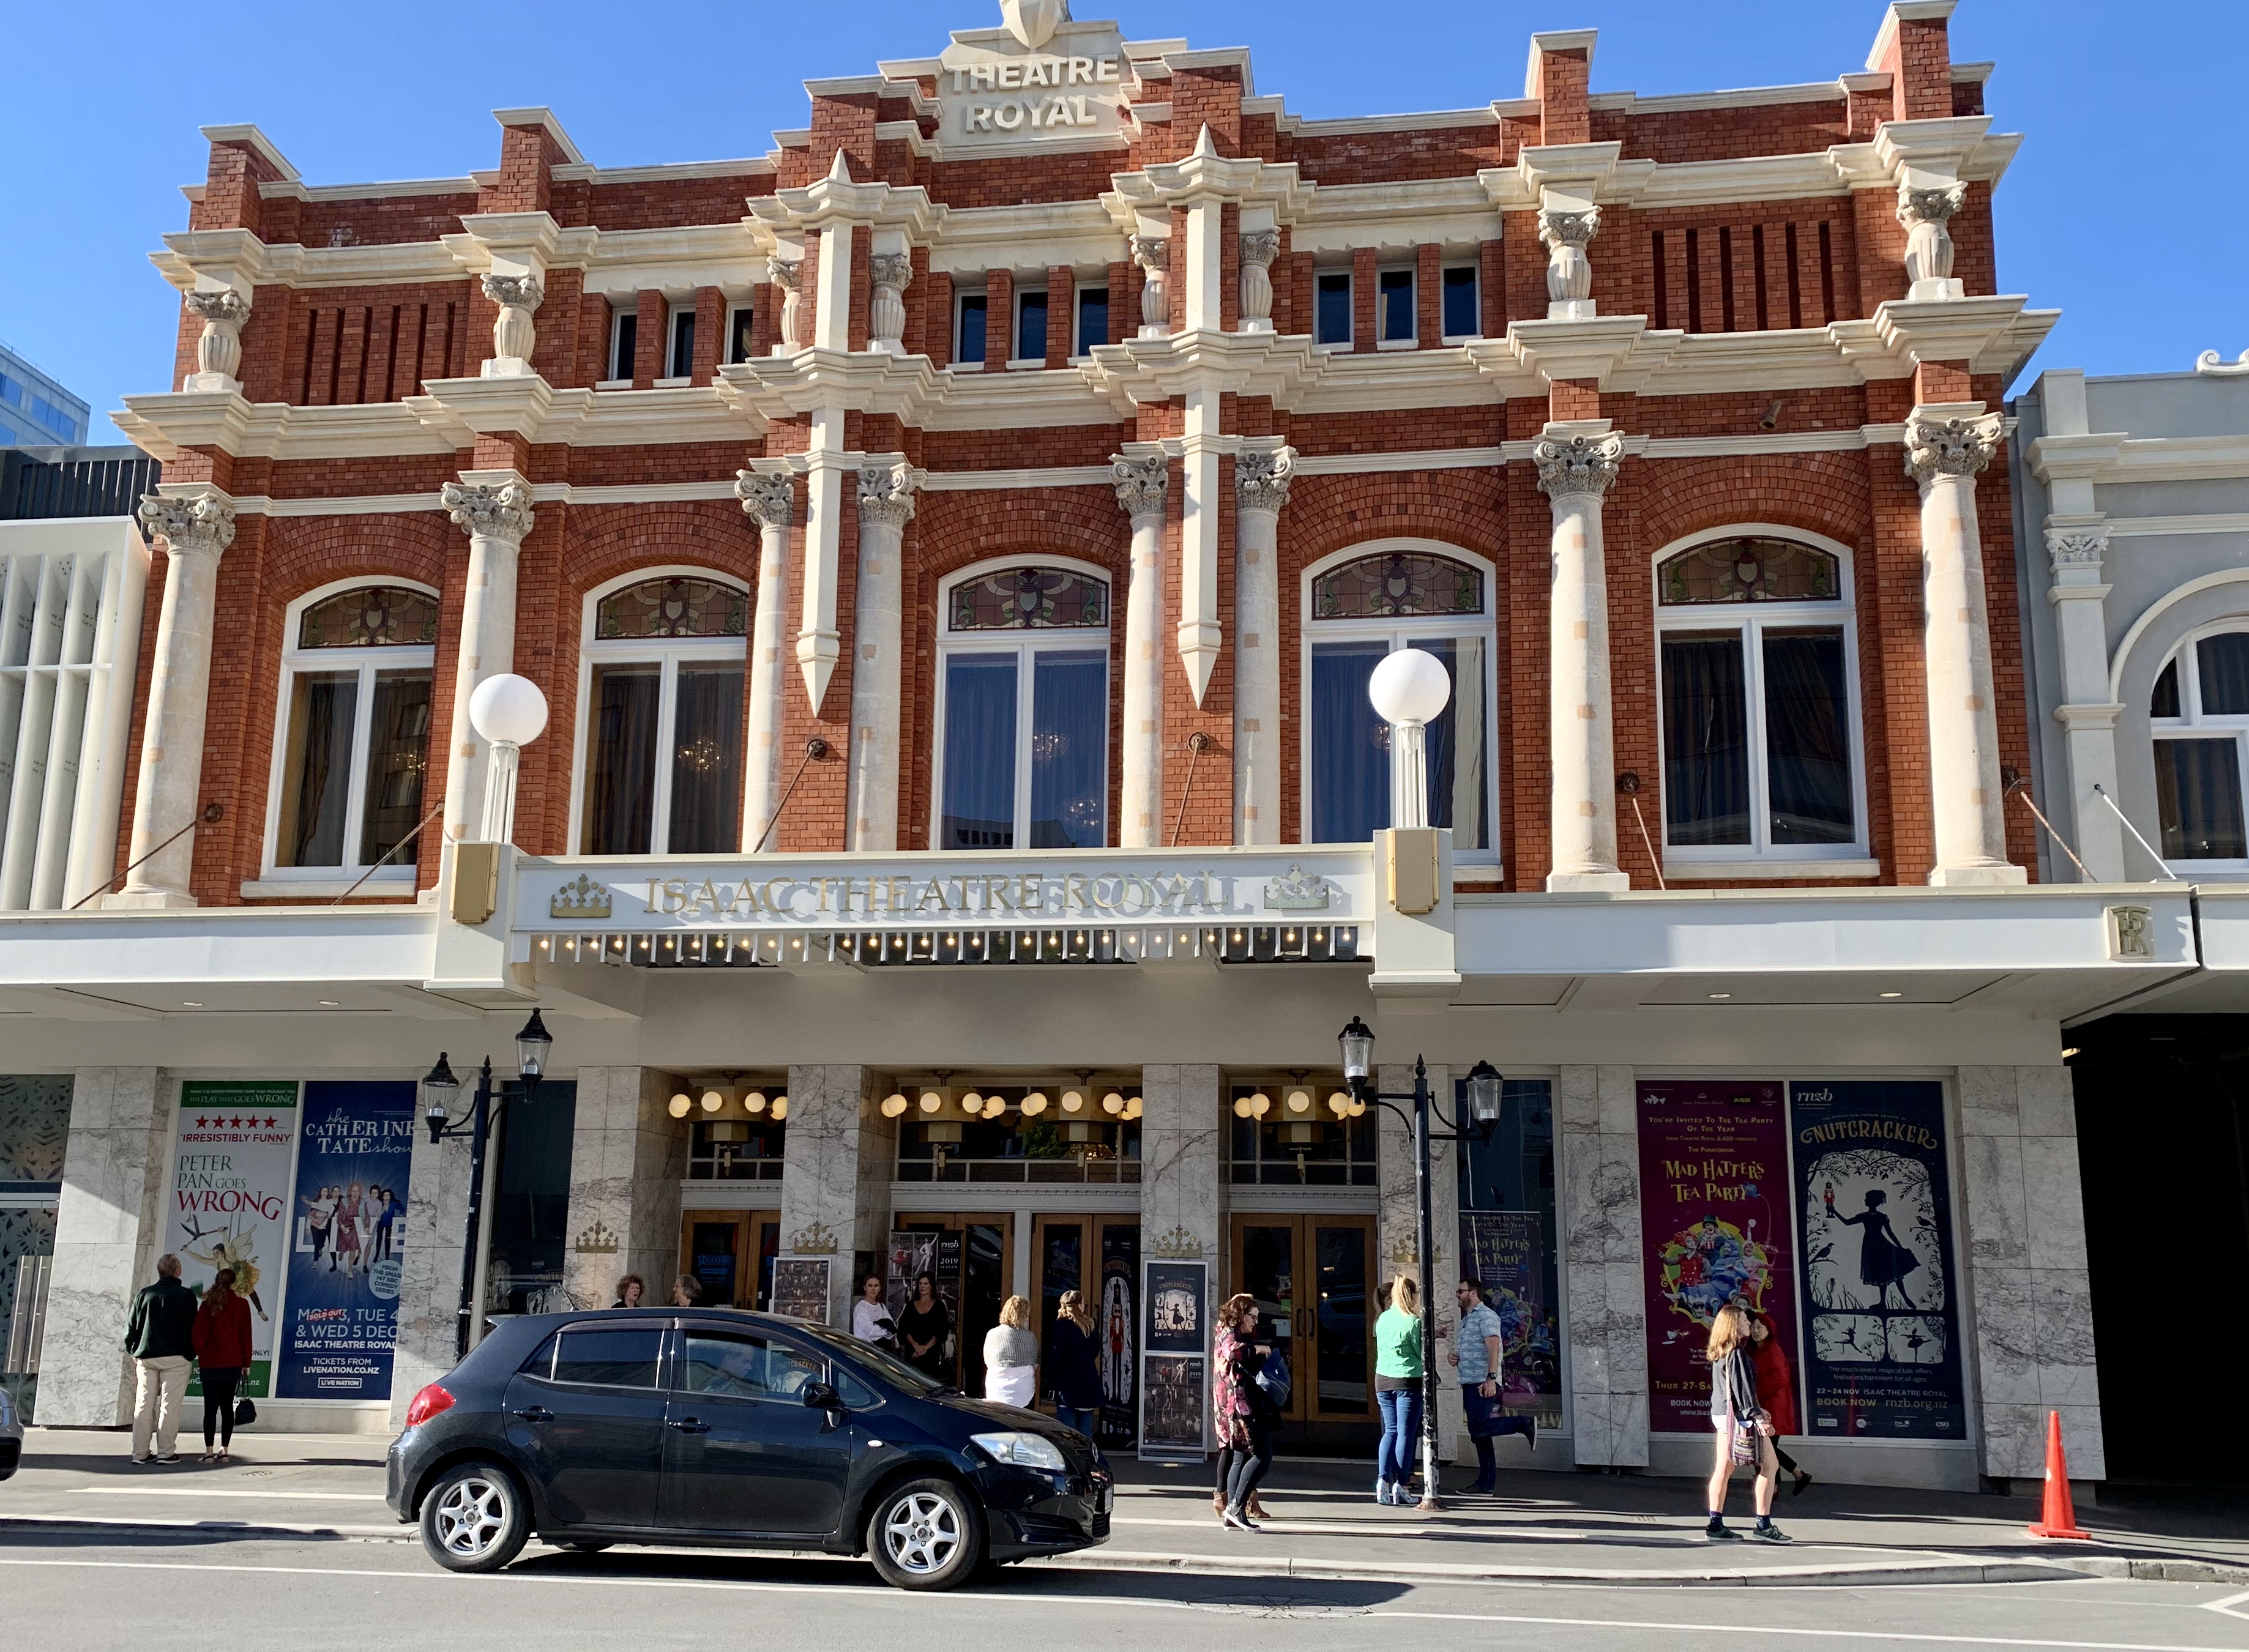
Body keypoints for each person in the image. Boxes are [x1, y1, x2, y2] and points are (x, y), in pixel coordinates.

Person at [1705, 1301, 1789, 1543]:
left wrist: (1756, 1409)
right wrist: (1757, 1416)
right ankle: (1763, 1525)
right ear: (1733, 1324)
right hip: (1740, 1417)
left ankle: (1715, 1524)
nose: (1749, 1324)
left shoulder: (1721, 1351)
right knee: (1770, 1465)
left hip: (1723, 1414)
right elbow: (1743, 1389)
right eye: (1744, 1320)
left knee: (1723, 1469)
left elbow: (1730, 1390)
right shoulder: (1738, 1352)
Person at [1451, 1276, 1535, 1494]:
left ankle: (1524, 1423)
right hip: (1470, 1381)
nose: (1457, 1295)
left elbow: (1494, 1349)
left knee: (1478, 1429)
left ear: (1473, 1293)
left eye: (1461, 1291)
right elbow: (1476, 1349)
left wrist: (1491, 1378)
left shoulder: (1486, 1316)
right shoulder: (1468, 1319)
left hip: (1482, 1382)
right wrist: (1456, 1358)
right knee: (1481, 1435)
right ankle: (1485, 1483)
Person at [123, 1254, 198, 1464]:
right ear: (177, 1271)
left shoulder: (144, 1294)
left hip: (146, 1356)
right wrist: (189, 1353)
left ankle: (139, 1453)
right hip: (176, 1358)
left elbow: (130, 1327)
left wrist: (133, 1350)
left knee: (143, 1405)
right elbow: (192, 1329)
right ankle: (166, 1452)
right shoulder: (186, 1296)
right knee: (169, 1406)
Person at [1212, 1293, 1275, 1531]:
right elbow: (1233, 1352)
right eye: (1253, 1317)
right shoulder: (1231, 1333)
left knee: (1240, 1456)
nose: (1255, 1322)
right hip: (1239, 1405)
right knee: (1262, 1454)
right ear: (1241, 1315)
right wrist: (1258, 1348)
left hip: (1229, 1406)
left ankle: (1232, 1514)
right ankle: (1236, 1506)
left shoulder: (1224, 1329)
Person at [1747, 1309, 1813, 1497]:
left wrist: (1755, 1394)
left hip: (1773, 1407)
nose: (1756, 1331)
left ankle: (1780, 1484)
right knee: (1767, 1449)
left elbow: (1780, 1379)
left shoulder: (1773, 1350)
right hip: (1759, 1406)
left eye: (1760, 1327)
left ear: (1769, 1330)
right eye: (1753, 1327)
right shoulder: (1752, 1350)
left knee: (1767, 1449)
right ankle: (1794, 1477)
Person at [192, 1266, 254, 1464]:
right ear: (233, 1283)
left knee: (210, 1408)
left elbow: (199, 1333)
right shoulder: (242, 1304)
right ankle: (224, 1450)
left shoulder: (208, 1304)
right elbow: (246, 1336)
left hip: (210, 1362)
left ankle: (208, 1452)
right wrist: (246, 1362)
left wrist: (200, 1352)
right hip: (232, 1362)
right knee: (227, 1407)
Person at [1374, 1273, 1424, 1506]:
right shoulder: (1413, 1322)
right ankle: (1402, 1485)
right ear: (1410, 1295)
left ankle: (1382, 1482)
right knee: (1406, 1434)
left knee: (1390, 1431)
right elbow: (1420, 1353)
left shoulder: (1383, 1318)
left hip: (1383, 1379)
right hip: (1407, 1379)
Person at [1834, 1188, 1919, 1311]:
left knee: (1892, 1272)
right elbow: (1847, 1223)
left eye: (1867, 1199)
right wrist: (1834, 1211)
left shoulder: (1875, 1217)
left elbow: (1890, 1233)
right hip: (1873, 1249)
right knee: (1883, 1275)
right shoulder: (1869, 1216)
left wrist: (1900, 1248)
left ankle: (1905, 1298)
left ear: (1872, 1202)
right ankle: (1884, 1303)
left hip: (1879, 1247)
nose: (1865, 1201)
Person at [1047, 1289, 1104, 1441]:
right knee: (1086, 1431)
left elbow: (1056, 1356)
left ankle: (1072, 1456)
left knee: (1068, 1433)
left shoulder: (1061, 1325)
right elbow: (1095, 1351)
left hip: (1068, 1385)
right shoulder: (1091, 1324)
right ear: (1079, 1305)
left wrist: (1051, 1380)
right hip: (1089, 1383)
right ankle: (1088, 1456)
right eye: (1083, 1303)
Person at [983, 1295, 1038, 1406]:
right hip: (1022, 1391)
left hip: (995, 1389)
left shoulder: (992, 1334)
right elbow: (1035, 1361)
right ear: (1024, 1315)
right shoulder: (1029, 1337)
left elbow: (987, 1360)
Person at [897, 1272, 952, 1380]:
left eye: (926, 1283)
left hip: (931, 1355)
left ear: (931, 1286)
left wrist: (924, 1349)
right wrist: (916, 1346)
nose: (923, 1286)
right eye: (921, 1283)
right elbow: (903, 1329)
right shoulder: (910, 1305)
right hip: (912, 1353)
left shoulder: (939, 1306)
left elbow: (942, 1331)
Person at [852, 1274, 894, 1344]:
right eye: (870, 1286)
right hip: (865, 1347)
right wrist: (885, 1328)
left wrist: (884, 1327)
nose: (873, 1289)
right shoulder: (861, 1308)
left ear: (879, 1288)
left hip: (881, 1347)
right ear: (865, 1288)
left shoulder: (881, 1306)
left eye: (876, 1286)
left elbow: (892, 1326)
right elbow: (871, 1331)